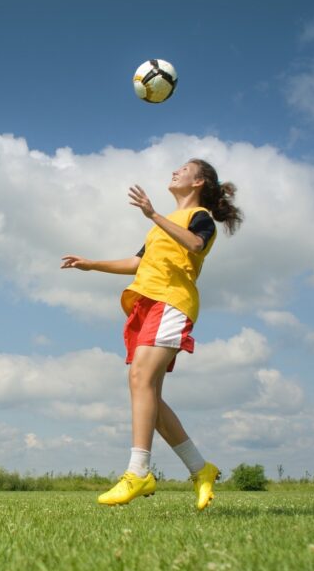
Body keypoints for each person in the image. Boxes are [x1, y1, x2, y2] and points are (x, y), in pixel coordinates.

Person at [61, 159, 243, 510]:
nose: (175, 171)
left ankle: (138, 472)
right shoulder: (161, 227)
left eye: (184, 169)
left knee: (139, 378)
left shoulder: (198, 217)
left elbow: (194, 245)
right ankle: (201, 469)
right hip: (147, 303)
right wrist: (91, 264)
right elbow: (137, 262)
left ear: (198, 182)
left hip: (171, 302)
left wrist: (152, 214)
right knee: (149, 399)